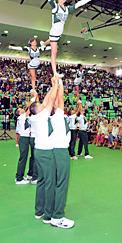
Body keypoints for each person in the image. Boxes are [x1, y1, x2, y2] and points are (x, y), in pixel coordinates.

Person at [37, 0, 98, 76]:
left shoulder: (67, 9)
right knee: (54, 53)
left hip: (59, 34)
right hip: (54, 33)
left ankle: (43, 43)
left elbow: (79, 4)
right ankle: (55, 73)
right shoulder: (55, 7)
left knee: (54, 42)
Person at [29, 76, 58, 224]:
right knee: (50, 182)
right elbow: (51, 101)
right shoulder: (40, 117)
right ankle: (48, 215)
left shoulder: (35, 117)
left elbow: (46, 101)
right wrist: (56, 84)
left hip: (39, 151)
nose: (43, 105)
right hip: (46, 153)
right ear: (38, 110)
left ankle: (38, 211)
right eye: (40, 105)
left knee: (41, 181)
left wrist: (51, 86)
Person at [49, 77, 74, 229]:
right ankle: (58, 217)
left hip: (54, 151)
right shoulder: (58, 115)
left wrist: (55, 84)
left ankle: (51, 211)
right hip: (60, 152)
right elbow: (60, 97)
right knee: (62, 183)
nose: (59, 104)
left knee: (55, 182)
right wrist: (60, 82)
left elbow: (56, 98)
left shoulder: (50, 115)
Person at [15, 102, 38, 185]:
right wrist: (33, 97)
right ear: (19, 113)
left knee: (26, 157)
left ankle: (25, 175)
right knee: (23, 158)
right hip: (23, 138)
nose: (22, 109)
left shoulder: (25, 117)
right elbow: (29, 109)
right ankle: (19, 178)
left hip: (27, 137)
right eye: (20, 109)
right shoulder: (21, 117)